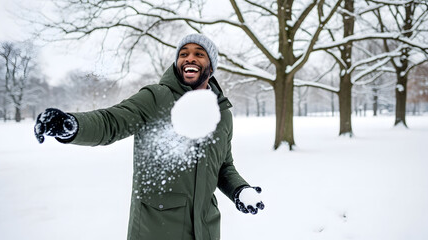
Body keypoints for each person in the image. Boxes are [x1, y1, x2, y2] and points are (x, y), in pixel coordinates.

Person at [34, 34, 264, 240]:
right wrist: (72, 126)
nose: (190, 58)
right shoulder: (157, 98)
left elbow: (223, 166)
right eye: (183, 54)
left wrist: (239, 190)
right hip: (157, 229)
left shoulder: (222, 115)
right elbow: (111, 121)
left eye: (199, 54)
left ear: (211, 66)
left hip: (206, 229)